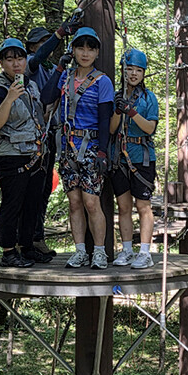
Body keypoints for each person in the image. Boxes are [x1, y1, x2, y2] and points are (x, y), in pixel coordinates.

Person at [40, 27, 114, 270]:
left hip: (91, 146)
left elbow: (105, 119)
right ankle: (80, 250)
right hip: (67, 147)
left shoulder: (102, 81)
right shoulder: (66, 77)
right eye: (80, 48)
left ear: (96, 53)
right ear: (73, 50)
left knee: (92, 202)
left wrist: (102, 151)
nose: (85, 53)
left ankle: (100, 252)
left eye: (90, 48)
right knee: (74, 202)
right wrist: (60, 68)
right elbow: (46, 97)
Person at [0, 37, 48, 268]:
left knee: (32, 202)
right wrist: (9, 98)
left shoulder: (30, 85)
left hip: (34, 152)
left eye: (19, 58)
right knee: (13, 203)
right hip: (10, 154)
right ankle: (9, 251)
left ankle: (27, 246)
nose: (16, 64)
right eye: (10, 59)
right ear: (2, 63)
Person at [24, 16, 82, 258]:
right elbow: (39, 58)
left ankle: (36, 238)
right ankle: (28, 239)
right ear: (31, 46)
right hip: (37, 134)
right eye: (41, 42)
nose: (44, 46)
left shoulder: (50, 69)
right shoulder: (30, 63)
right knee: (34, 188)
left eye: (46, 41)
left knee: (45, 186)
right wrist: (59, 34)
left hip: (52, 133)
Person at [110, 48, 158, 269]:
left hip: (142, 158)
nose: (133, 74)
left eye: (138, 70)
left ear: (143, 73)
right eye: (129, 69)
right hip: (120, 156)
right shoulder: (116, 97)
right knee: (123, 206)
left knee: (143, 205)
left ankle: (145, 252)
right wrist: (119, 111)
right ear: (123, 70)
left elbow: (149, 128)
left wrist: (132, 112)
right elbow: (111, 129)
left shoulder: (149, 98)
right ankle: (127, 250)